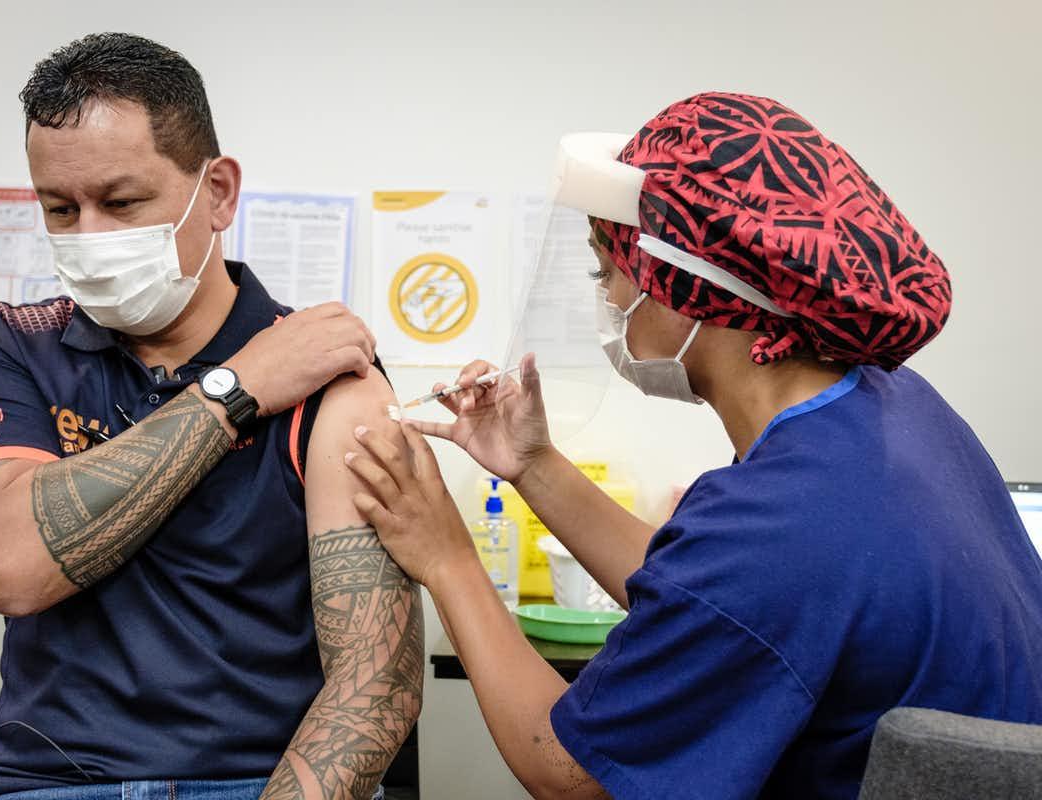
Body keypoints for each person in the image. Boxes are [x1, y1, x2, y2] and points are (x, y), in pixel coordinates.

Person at [344, 92, 1042, 799]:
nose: (609, 302)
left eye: (608, 273)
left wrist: (448, 559)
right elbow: (716, 601)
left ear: (689, 291)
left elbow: (570, 774)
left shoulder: (780, 526)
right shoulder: (889, 410)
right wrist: (533, 465)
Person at [0, 33, 421, 800]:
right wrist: (239, 388)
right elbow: (6, 567)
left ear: (219, 191)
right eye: (61, 209)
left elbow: (376, 687)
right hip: (45, 785)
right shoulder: (15, 345)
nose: (89, 238)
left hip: (252, 784)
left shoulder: (332, 377)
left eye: (123, 201)